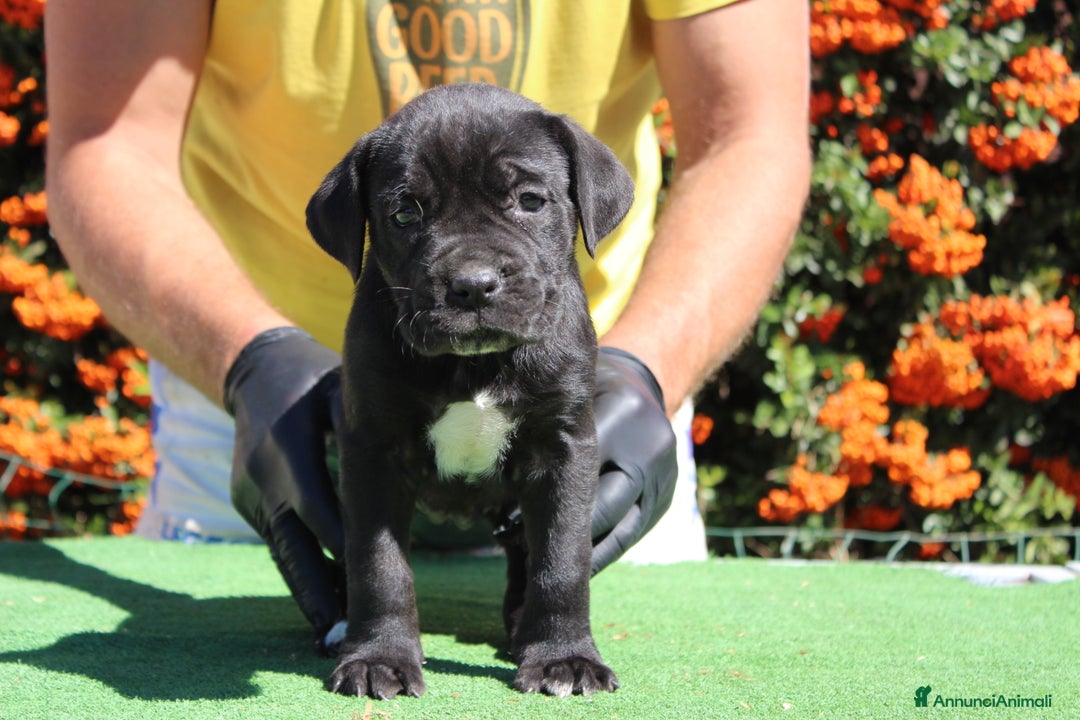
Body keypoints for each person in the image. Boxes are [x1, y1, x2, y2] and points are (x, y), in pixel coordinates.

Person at [44, 0, 811, 646]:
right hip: (272, 411)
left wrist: (650, 370)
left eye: (527, 202)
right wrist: (247, 362)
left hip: (605, 390)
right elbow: (104, 139)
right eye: (408, 212)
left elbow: (753, 132)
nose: (475, 270)